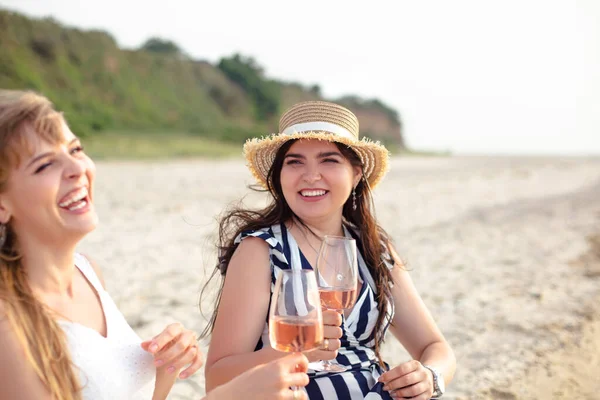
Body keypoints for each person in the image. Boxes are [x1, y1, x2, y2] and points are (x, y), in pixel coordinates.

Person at [0, 90, 311, 400]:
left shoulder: (87, 273)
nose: (77, 169)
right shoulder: (8, 321)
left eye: (76, 149)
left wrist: (164, 369)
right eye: (44, 165)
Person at [202, 101, 456, 399]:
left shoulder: (375, 250)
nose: (310, 176)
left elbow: (436, 348)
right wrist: (295, 354)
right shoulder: (261, 250)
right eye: (295, 162)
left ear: (356, 174)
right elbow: (217, 381)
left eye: (329, 160)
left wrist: (429, 377)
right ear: (279, 174)